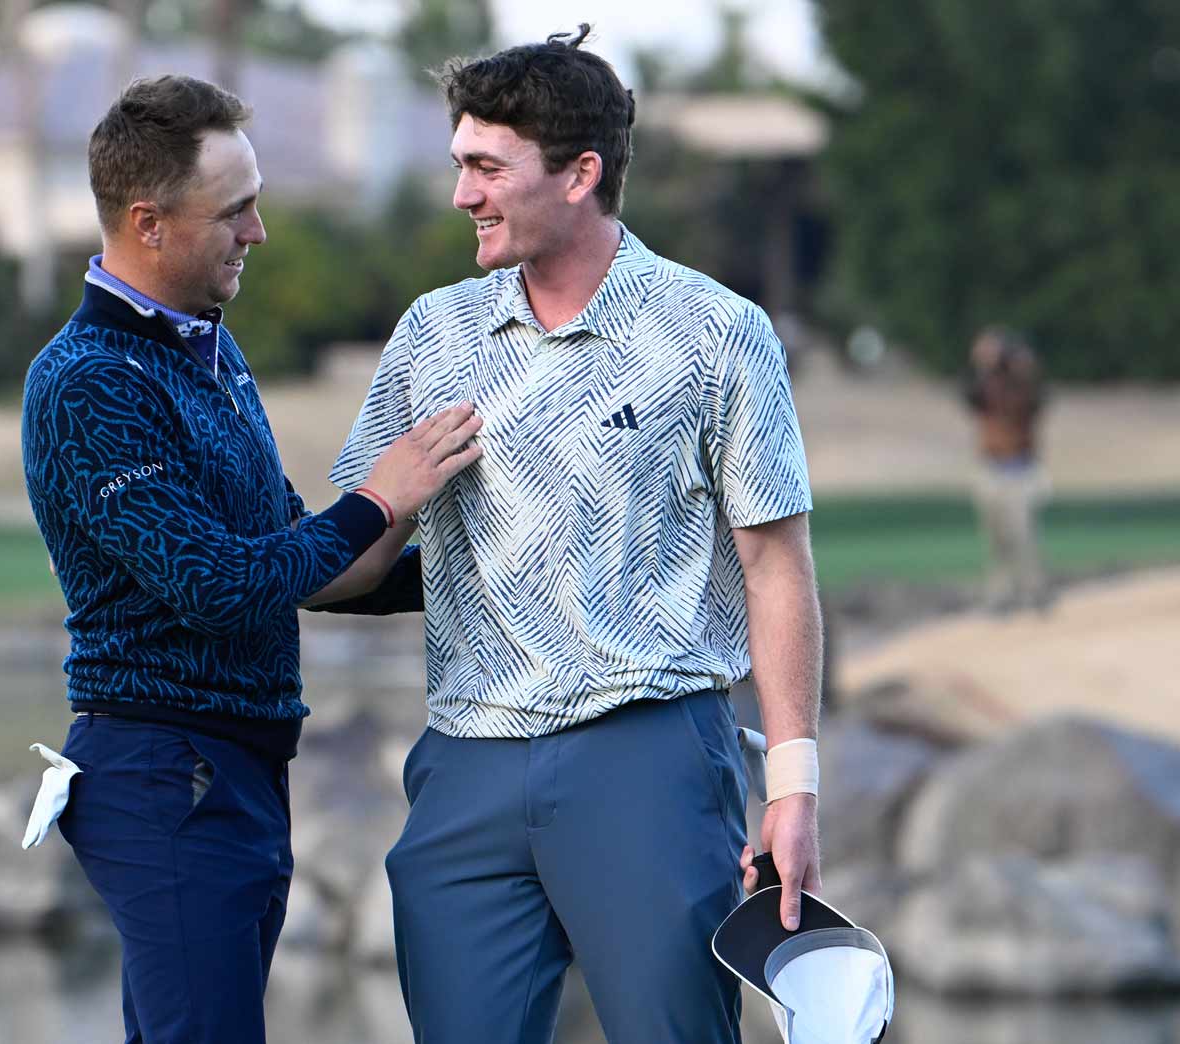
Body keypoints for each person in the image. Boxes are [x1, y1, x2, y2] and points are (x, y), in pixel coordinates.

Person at [329, 27, 825, 1044]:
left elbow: (773, 567)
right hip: (465, 761)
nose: (461, 194)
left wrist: (792, 787)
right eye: (458, 164)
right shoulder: (432, 332)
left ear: (579, 174)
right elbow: (351, 559)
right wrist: (368, 507)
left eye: (486, 167)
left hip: (647, 754)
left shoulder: (716, 332)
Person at [18, 75, 481, 1044]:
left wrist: (479, 572)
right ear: (147, 224)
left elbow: (296, 561)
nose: (257, 232)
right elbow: (219, 584)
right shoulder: (86, 381)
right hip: (163, 772)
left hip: (234, 770)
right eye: (233, 210)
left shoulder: (209, 352)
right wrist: (381, 496)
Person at [962, 326, 1050, 612]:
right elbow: (970, 396)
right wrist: (982, 367)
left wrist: (1023, 370)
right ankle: (1001, 593)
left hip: (1020, 468)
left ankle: (1033, 589)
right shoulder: (987, 386)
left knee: (1022, 533)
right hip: (991, 467)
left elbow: (1036, 402)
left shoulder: (1023, 387)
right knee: (996, 537)